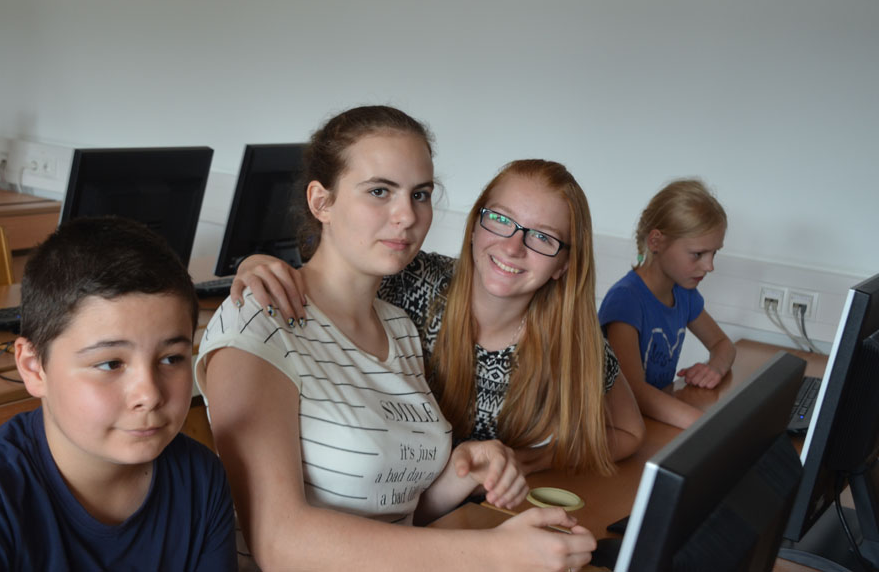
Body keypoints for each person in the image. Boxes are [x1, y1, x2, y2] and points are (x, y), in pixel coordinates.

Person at [197, 106, 596, 572]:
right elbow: (279, 543)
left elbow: (400, 514)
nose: (407, 216)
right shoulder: (260, 320)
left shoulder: (399, 327)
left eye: (420, 194)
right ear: (321, 202)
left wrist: (463, 470)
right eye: (379, 191)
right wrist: (494, 552)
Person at [233, 159, 645, 476]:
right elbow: (327, 279)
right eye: (501, 220)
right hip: (377, 501)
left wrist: (531, 459)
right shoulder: (410, 279)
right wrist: (256, 263)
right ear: (475, 226)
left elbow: (628, 432)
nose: (513, 247)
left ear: (564, 264)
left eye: (542, 237)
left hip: (475, 516)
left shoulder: (572, 336)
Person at [0, 217, 237, 571]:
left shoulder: (201, 480)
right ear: (33, 367)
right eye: (110, 364)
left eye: (171, 359)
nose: (149, 394)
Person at [598, 178, 737, 429]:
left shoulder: (684, 293)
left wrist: (714, 368)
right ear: (656, 242)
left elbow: (723, 344)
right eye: (698, 254)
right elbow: (634, 391)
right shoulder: (625, 300)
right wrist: (703, 424)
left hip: (652, 421)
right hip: (616, 427)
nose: (709, 266)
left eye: (714, 253)